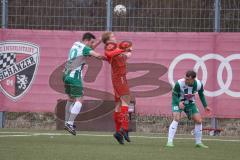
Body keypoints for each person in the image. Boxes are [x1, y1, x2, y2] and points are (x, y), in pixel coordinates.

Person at [63, 32, 106, 135]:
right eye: (91, 42)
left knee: (70, 99)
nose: (92, 44)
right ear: (86, 40)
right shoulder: (85, 48)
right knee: (79, 100)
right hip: (74, 76)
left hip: (65, 75)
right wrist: (110, 58)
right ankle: (70, 123)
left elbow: (89, 50)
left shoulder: (76, 44)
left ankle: (66, 122)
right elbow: (97, 55)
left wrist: (100, 40)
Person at [166, 70, 211, 148]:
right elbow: (174, 94)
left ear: (193, 79)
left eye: (188, 79)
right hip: (177, 101)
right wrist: (179, 102)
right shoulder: (179, 83)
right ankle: (169, 142)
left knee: (199, 120)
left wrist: (205, 106)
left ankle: (198, 143)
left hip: (190, 103)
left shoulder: (199, 84)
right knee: (176, 118)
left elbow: (201, 94)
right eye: (185, 78)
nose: (185, 80)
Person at [102, 32, 133, 144]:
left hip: (119, 78)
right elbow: (110, 55)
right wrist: (123, 50)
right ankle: (124, 129)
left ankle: (118, 133)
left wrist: (127, 52)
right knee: (125, 102)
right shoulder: (109, 47)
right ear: (108, 40)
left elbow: (121, 57)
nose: (115, 38)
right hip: (119, 78)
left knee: (118, 105)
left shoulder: (115, 48)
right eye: (113, 36)